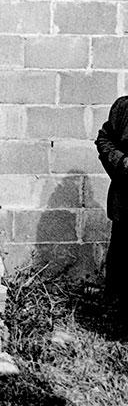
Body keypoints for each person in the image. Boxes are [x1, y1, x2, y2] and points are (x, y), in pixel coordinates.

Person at [95, 95, 128, 318]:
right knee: (123, 258)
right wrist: (122, 162)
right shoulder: (124, 107)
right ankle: (117, 313)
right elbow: (104, 139)